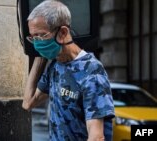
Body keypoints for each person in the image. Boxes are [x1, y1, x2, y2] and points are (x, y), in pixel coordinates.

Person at [22, 0, 115, 141]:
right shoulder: (55, 65)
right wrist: (40, 55)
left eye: (40, 36)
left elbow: (96, 136)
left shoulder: (92, 71)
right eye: (33, 38)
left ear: (63, 32)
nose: (36, 43)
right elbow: (28, 103)